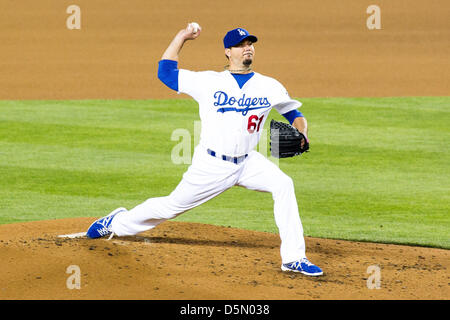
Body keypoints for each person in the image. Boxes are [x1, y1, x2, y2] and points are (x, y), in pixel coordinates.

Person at [86, 23, 323, 276]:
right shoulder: (208, 82)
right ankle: (118, 222)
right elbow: (166, 72)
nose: (247, 49)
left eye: (250, 44)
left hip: (248, 163)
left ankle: (294, 257)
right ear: (227, 52)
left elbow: (293, 113)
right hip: (211, 165)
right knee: (171, 207)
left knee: (284, 184)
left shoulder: (269, 86)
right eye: (241, 45)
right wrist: (181, 37)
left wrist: (302, 132)